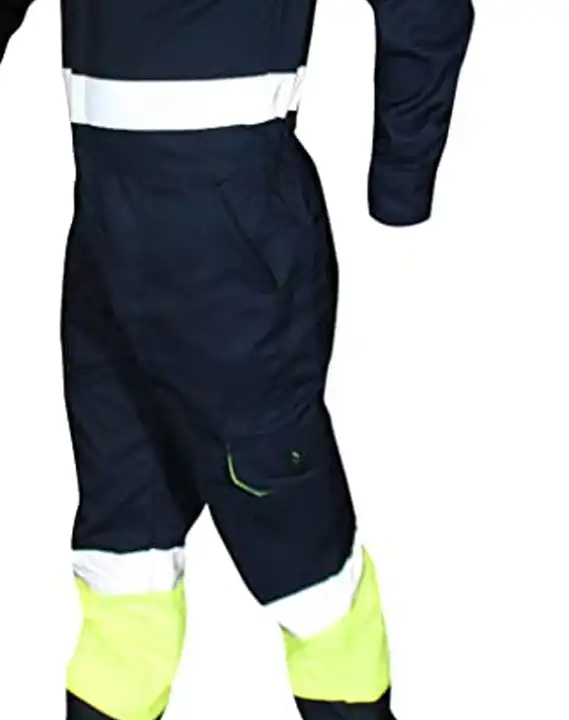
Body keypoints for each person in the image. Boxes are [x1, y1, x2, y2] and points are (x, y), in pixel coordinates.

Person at [0, 0, 474, 716]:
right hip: (105, 236)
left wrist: (402, 183)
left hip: (234, 245)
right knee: (121, 546)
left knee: (297, 546)